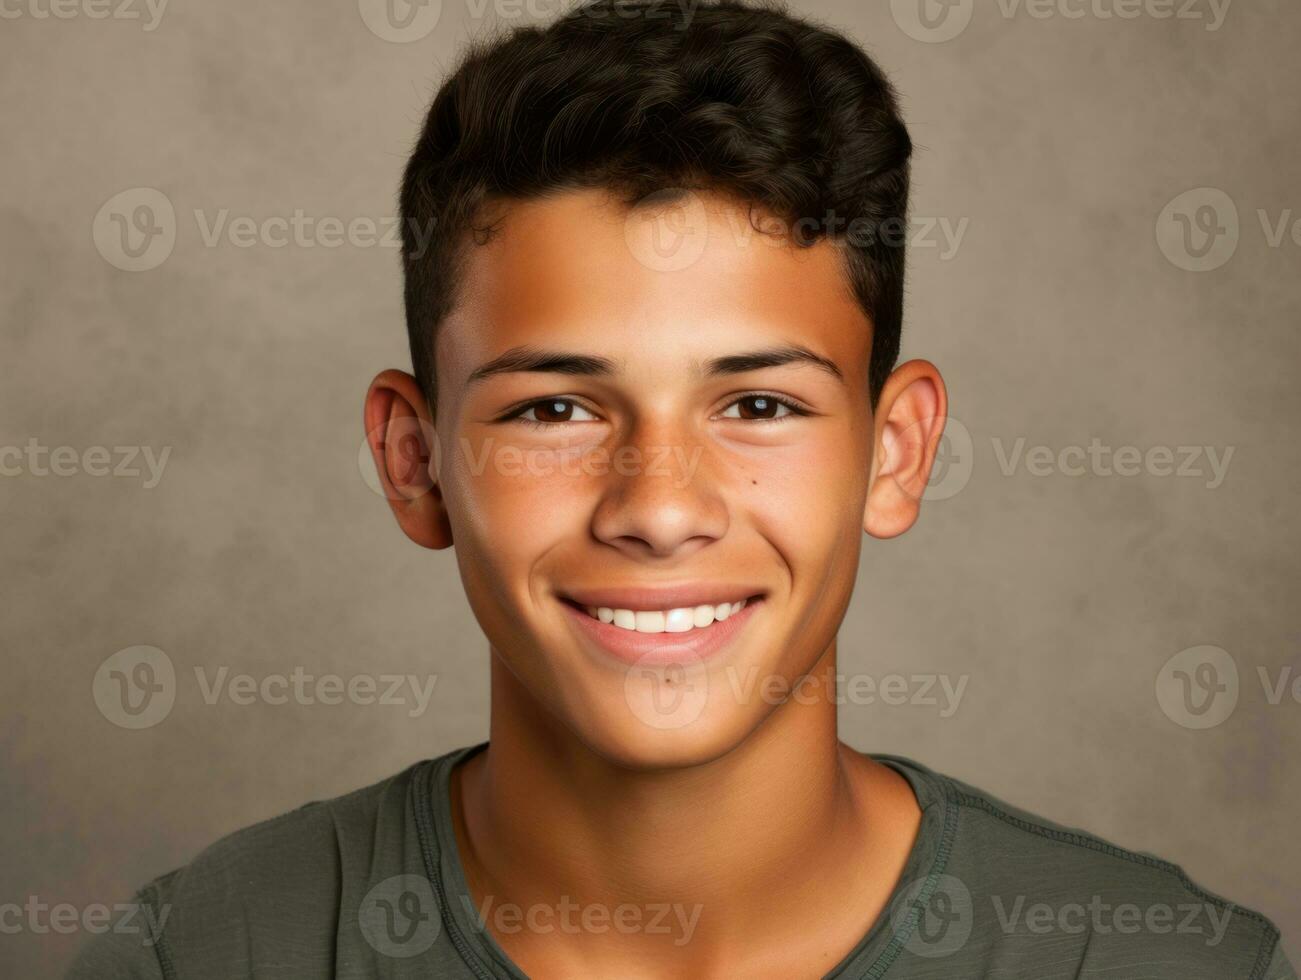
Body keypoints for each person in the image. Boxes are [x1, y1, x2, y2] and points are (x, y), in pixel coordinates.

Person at [69, 1, 1293, 976]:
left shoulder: (1148, 960)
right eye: (554, 408)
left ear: (896, 449)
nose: (657, 507)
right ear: (413, 460)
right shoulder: (209, 953)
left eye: (757, 405)